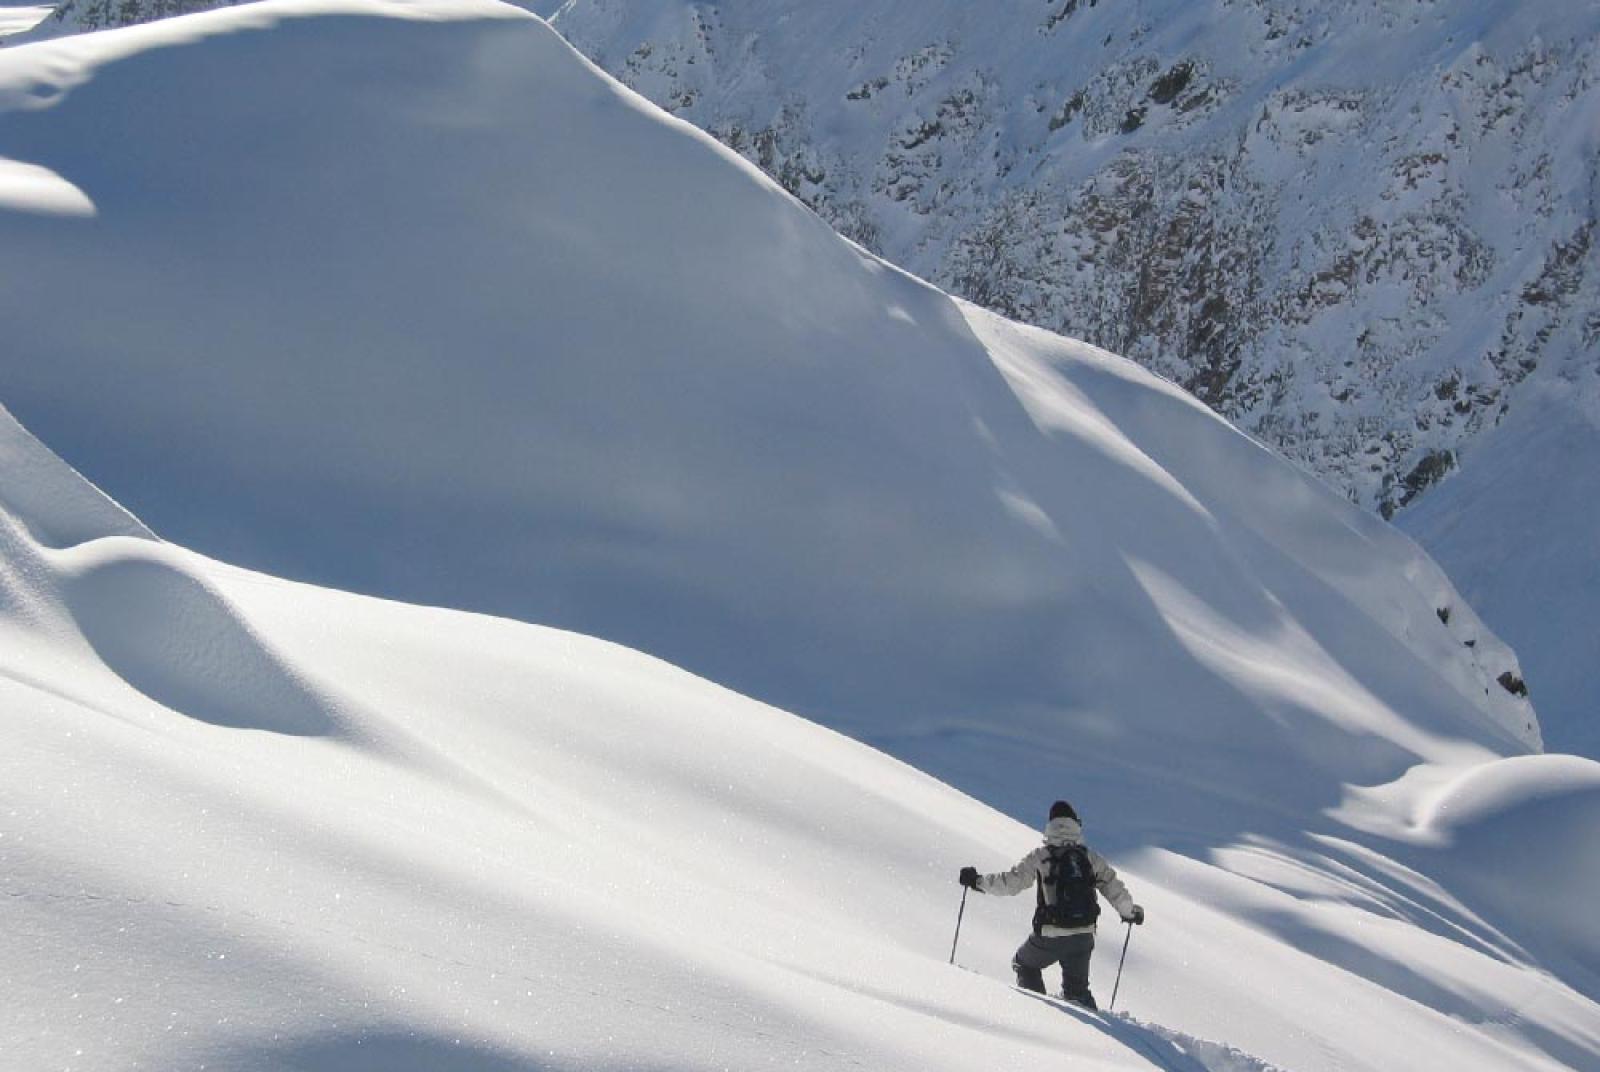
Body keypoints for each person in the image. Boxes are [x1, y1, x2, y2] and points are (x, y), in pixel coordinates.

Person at [959, 800, 1144, 1008]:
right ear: (1076, 824)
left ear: (1050, 825)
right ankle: (1090, 1032)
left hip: (1051, 935)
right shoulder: (1089, 857)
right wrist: (1130, 912)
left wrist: (977, 882)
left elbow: (1011, 883)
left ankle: (1041, 1016)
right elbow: (1113, 887)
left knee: (1023, 964)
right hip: (1084, 935)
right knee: (1078, 992)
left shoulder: (1041, 856)